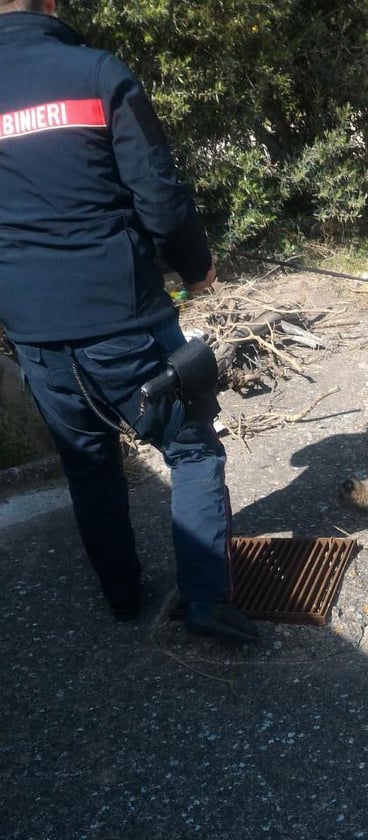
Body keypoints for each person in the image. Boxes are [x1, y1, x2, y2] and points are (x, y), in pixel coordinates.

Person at [0, 0, 258, 643]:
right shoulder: (95, 73)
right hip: (122, 316)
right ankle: (206, 600)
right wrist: (196, 268)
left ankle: (121, 600)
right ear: (50, 4)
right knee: (192, 448)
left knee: (88, 464)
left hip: (32, 331)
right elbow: (160, 197)